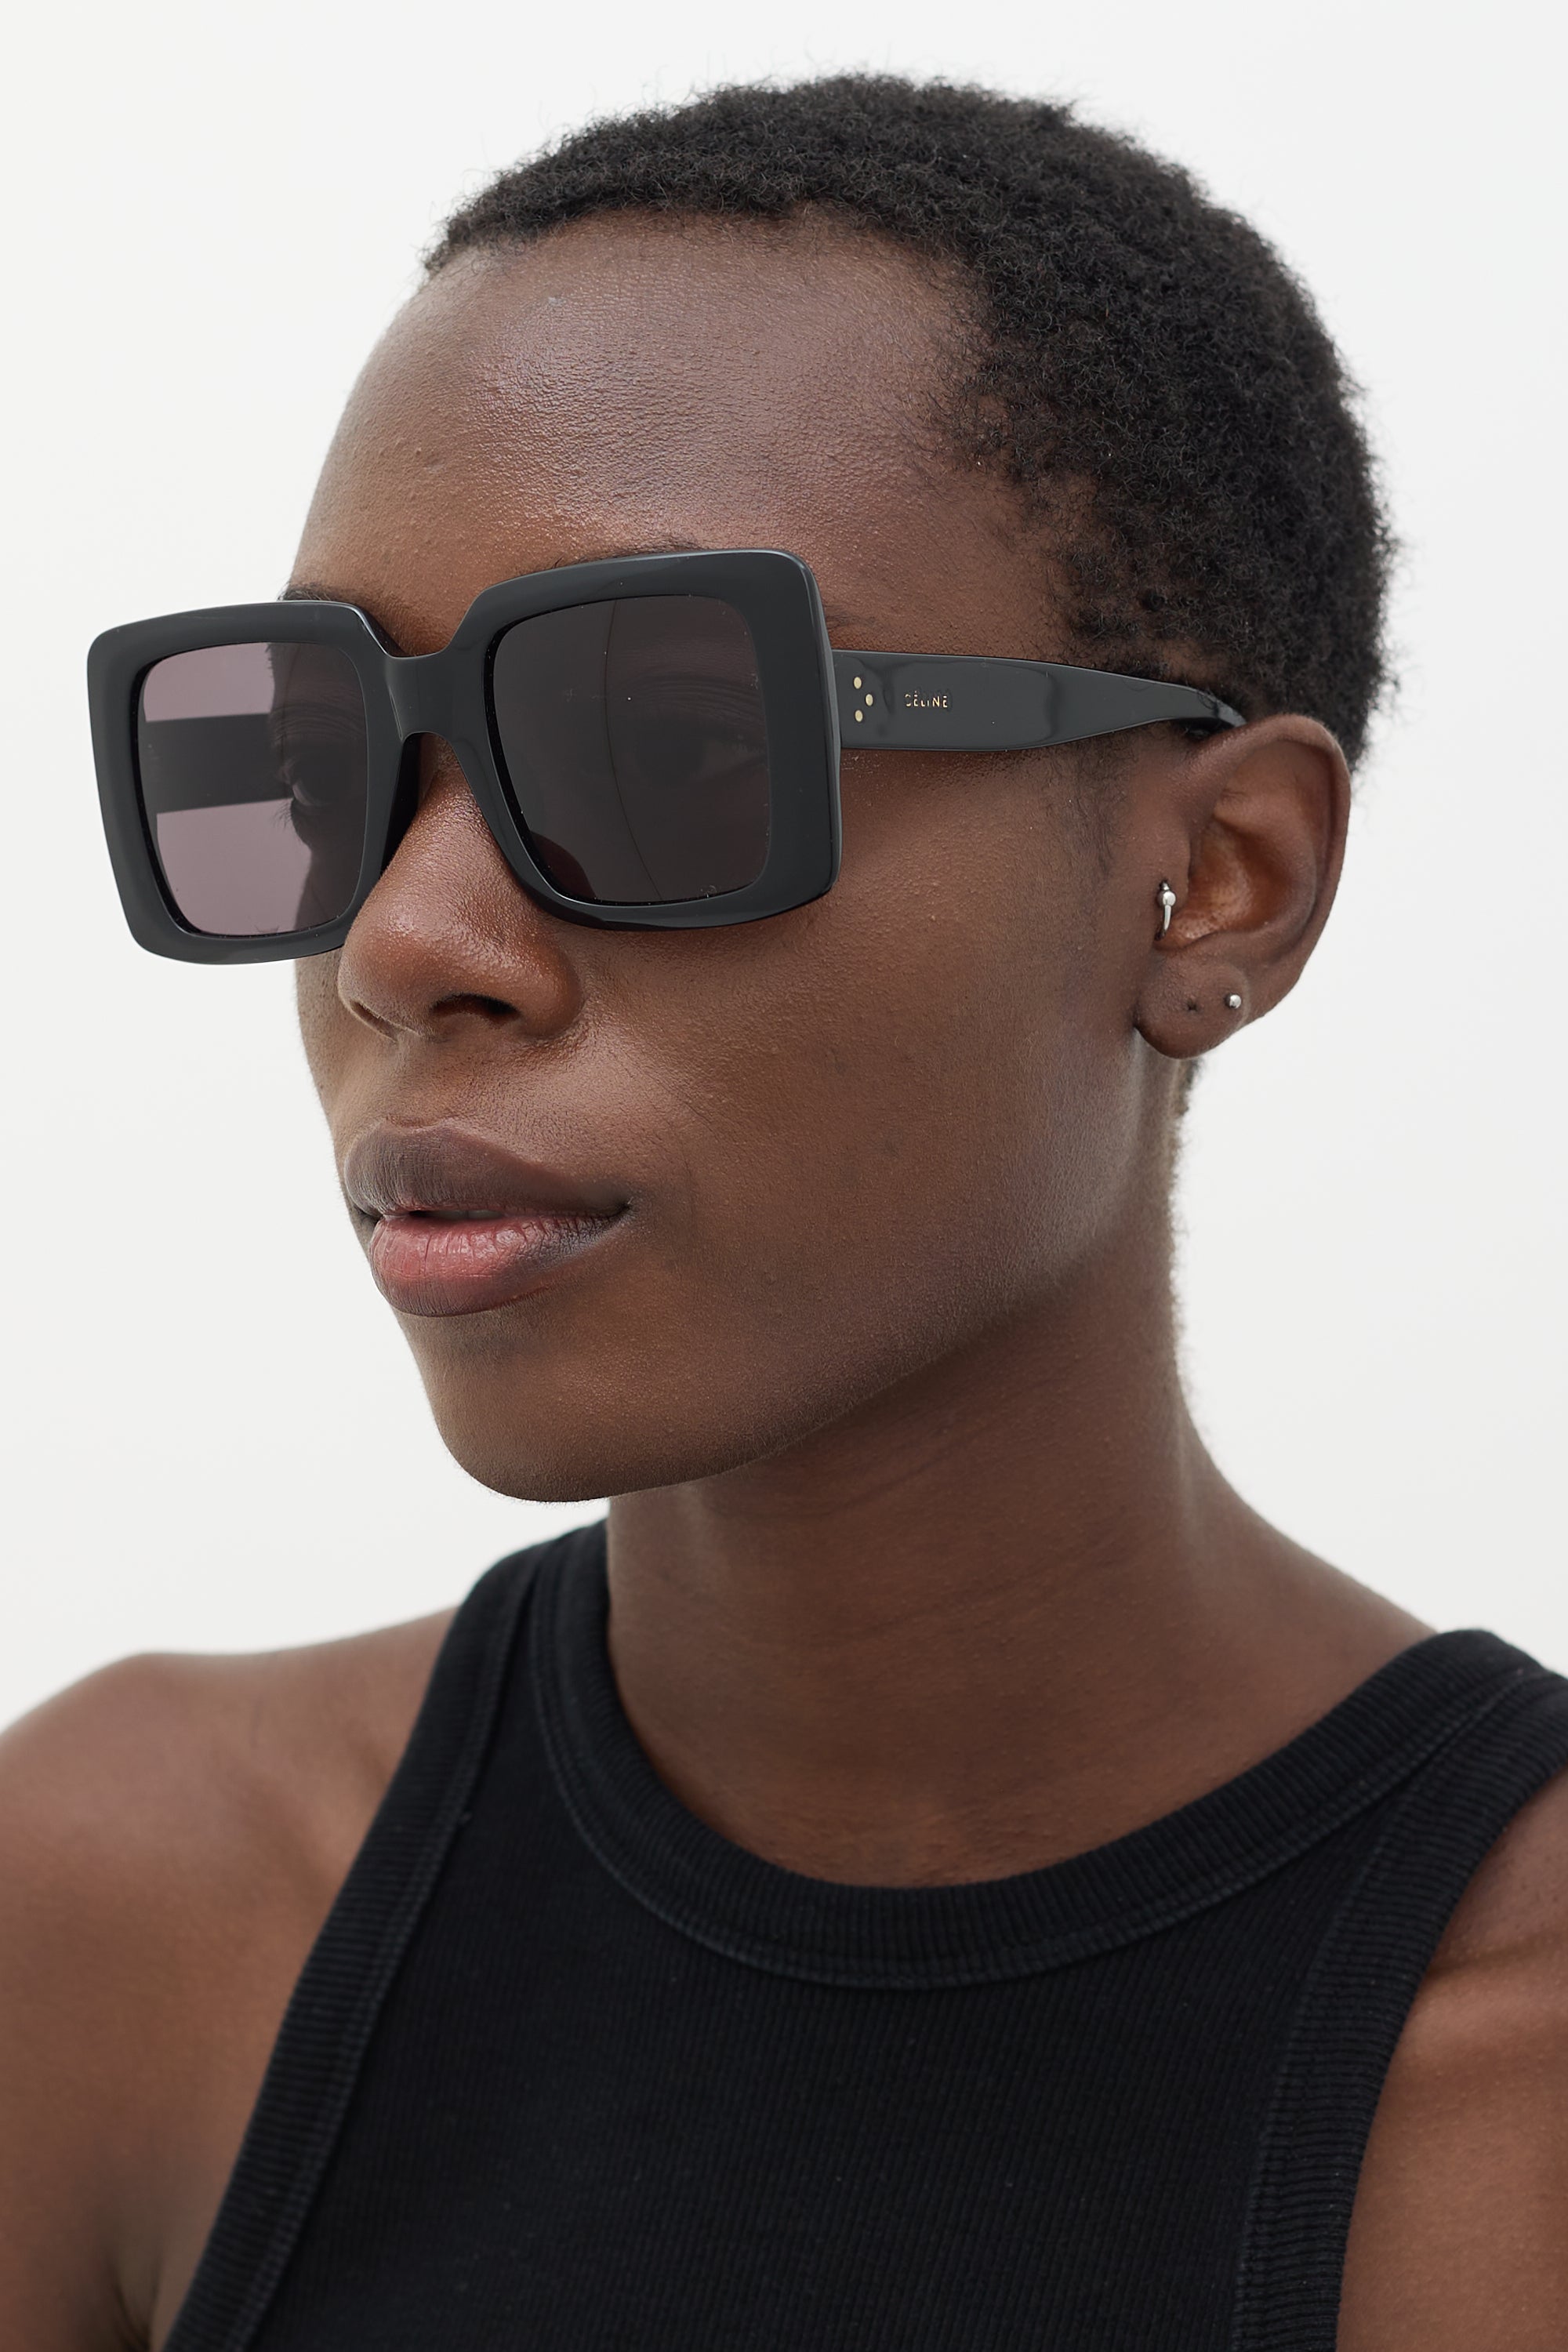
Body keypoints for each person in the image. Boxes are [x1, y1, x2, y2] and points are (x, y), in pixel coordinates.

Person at [5, 74, 1565, 2352]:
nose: (405, 942)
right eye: (319, 755)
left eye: (666, 742)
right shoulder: (114, 1924)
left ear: (1223, 880)